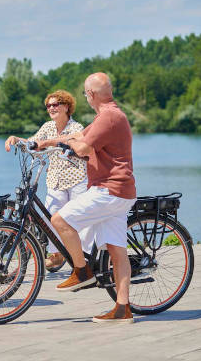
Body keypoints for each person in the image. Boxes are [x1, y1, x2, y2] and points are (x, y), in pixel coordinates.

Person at [49, 72, 137, 323]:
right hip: (119, 191)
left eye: (86, 93)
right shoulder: (109, 115)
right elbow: (75, 137)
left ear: (91, 95)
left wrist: (75, 144)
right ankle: (123, 308)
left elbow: (83, 146)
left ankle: (82, 271)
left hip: (110, 190)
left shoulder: (108, 117)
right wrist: (41, 144)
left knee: (60, 221)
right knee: (117, 251)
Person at [5, 90, 94, 270]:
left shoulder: (76, 127)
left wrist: (49, 143)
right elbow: (34, 142)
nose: (51, 108)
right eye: (48, 105)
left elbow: (75, 140)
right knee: (51, 218)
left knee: (80, 219)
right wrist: (16, 139)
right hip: (55, 180)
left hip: (77, 179)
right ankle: (58, 254)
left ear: (66, 107)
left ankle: (86, 260)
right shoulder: (47, 127)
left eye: (55, 104)